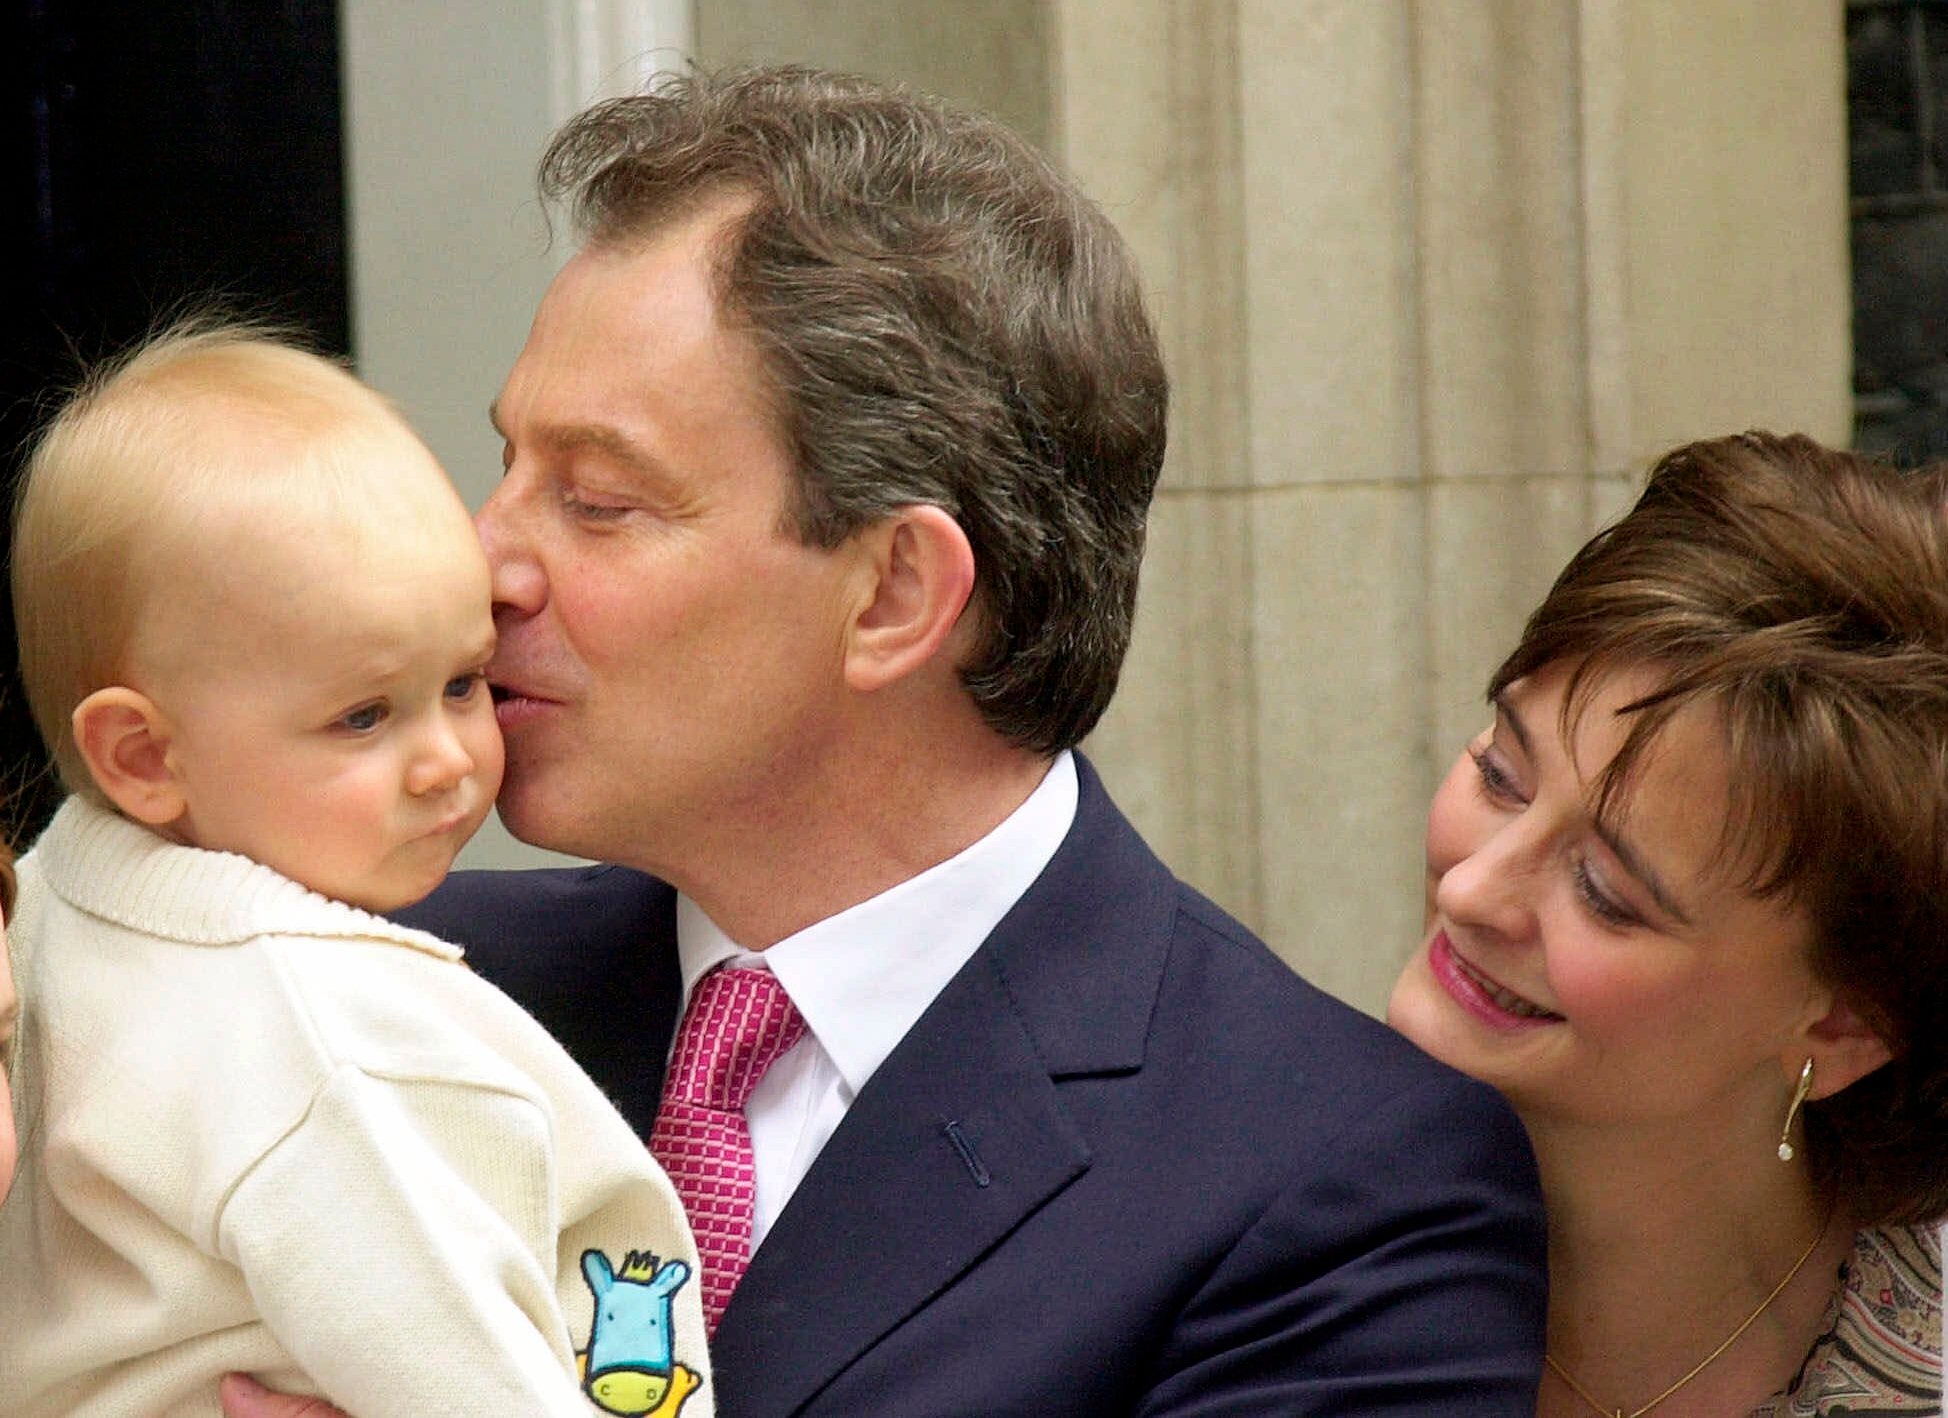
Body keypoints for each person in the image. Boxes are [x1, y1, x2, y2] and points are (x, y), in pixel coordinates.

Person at [222, 64, 1547, 1417]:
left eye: (598, 500)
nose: (480, 564)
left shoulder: (1336, 1185)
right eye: (506, 467)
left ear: (896, 594)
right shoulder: (380, 987)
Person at [0, 324, 712, 1417]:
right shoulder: (329, 1043)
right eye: (363, 714)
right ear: (145, 757)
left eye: (465, 680)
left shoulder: (57, 910)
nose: (447, 760)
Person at [1389, 431, 1947, 1416]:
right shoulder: (1249, 1246)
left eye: (1606, 891)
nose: (1472, 889)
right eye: (1499, 775)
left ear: (1841, 1025)